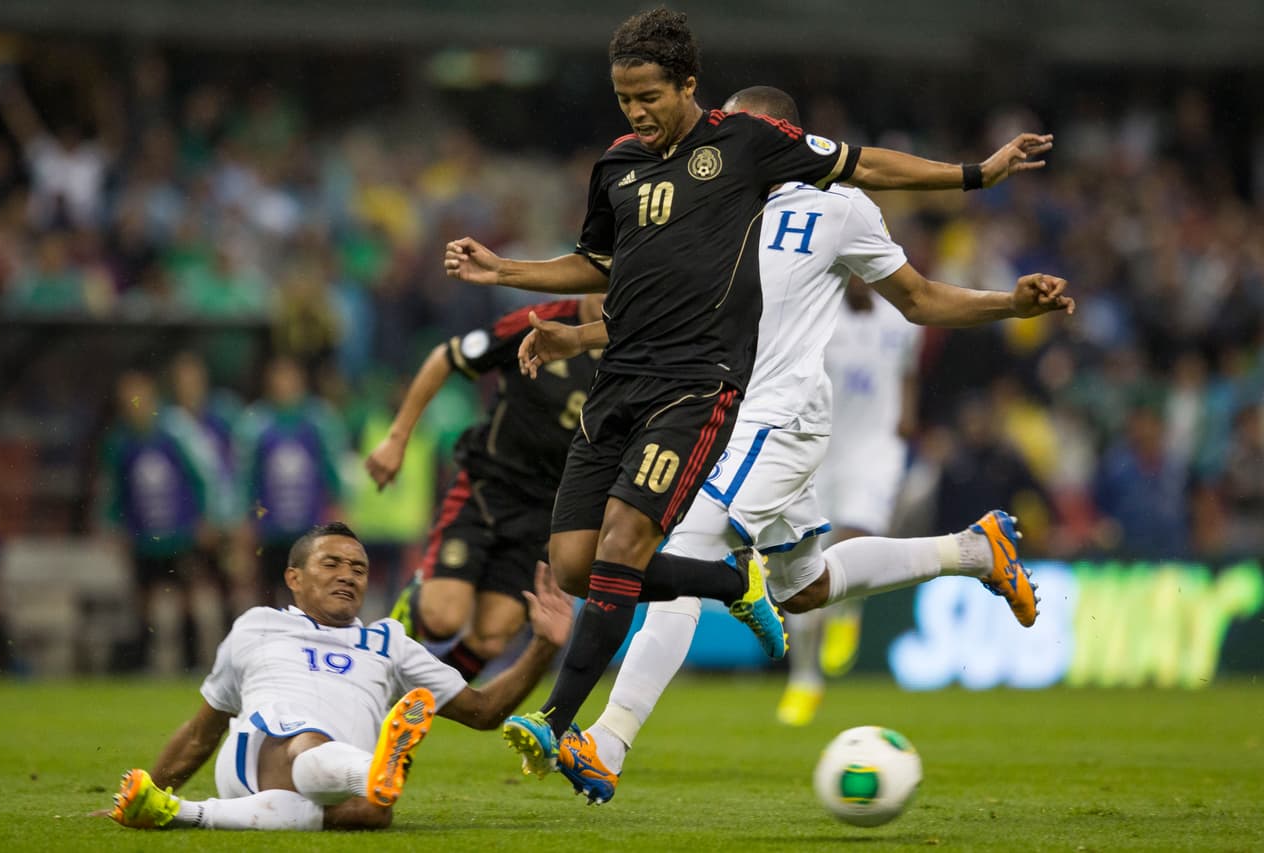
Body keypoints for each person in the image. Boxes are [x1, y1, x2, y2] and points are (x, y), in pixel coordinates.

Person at [445, 8, 1055, 779]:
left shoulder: (834, 209)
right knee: (807, 585)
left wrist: (1007, 290)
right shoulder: (689, 195)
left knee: (678, 547)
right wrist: (576, 334)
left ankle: (606, 738)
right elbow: (664, 307)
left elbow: (921, 297)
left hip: (777, 412)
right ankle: (971, 549)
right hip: (706, 402)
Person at [106, 521, 573, 832]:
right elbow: (199, 734)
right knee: (308, 743)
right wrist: (157, 777)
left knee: (373, 813)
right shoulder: (257, 626)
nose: (347, 575)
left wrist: (543, 646)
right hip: (256, 755)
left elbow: (483, 711)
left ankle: (181, 813)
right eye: (331, 564)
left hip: (327, 793)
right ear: (294, 577)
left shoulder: (388, 641)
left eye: (359, 569)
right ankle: (374, 769)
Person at [365, 295, 605, 680]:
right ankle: (399, 629)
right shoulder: (540, 322)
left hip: (548, 512)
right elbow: (447, 356)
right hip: (488, 487)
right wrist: (397, 438)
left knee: (493, 637)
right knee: (442, 617)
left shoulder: (636, 349)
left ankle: (417, 699)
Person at [776, 278, 922, 726]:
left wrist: (907, 412)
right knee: (804, 564)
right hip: (820, 451)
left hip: (875, 449)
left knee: (855, 532)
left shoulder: (902, 319)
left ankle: (847, 611)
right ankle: (804, 677)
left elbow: (907, 372)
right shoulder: (818, 315)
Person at [99, 370, 215, 672]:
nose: (133, 401)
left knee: (186, 597)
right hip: (142, 536)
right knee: (143, 600)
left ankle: (191, 662)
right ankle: (144, 662)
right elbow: (115, 490)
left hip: (180, 533)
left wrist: (205, 517)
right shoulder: (120, 440)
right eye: (127, 395)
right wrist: (114, 526)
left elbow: (200, 475)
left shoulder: (175, 432)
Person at [234, 355, 347, 606]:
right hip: (270, 529)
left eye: (289, 377)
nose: (283, 384)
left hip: (310, 527)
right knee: (270, 596)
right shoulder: (256, 423)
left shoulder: (319, 420)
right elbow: (246, 477)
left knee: (311, 596)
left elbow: (333, 470)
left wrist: (340, 511)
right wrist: (245, 521)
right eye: (278, 377)